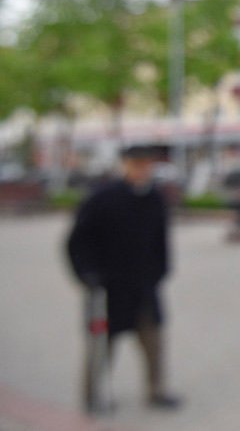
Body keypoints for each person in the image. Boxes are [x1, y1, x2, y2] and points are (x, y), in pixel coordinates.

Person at [67, 145, 181, 413]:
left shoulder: (154, 197)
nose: (143, 169)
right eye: (137, 164)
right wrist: (88, 274)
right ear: (125, 164)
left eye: (147, 164)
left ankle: (156, 390)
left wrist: (162, 270)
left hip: (144, 286)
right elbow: (77, 241)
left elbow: (161, 240)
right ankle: (92, 396)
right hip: (108, 288)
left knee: (153, 340)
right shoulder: (103, 198)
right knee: (101, 345)